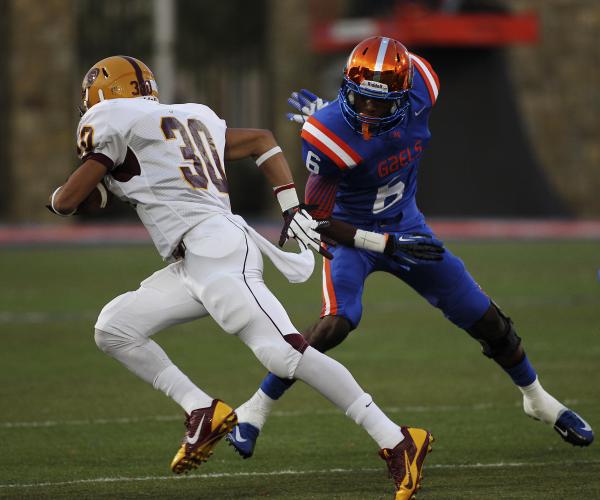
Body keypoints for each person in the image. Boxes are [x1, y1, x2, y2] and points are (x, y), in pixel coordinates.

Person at [47, 55, 433, 499]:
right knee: (114, 328)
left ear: (101, 97)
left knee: (285, 354)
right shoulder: (184, 118)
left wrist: (58, 198)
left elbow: (70, 200)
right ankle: (201, 409)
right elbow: (261, 142)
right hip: (194, 260)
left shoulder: (111, 120)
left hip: (214, 249)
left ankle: (397, 439)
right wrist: (289, 203)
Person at [227, 36, 594, 459]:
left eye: (379, 105)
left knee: (485, 318)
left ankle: (538, 399)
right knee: (337, 323)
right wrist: (380, 242)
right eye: (358, 101)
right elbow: (318, 219)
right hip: (353, 235)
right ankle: (255, 409)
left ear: (405, 97)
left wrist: (397, 237)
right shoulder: (328, 136)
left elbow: (383, 99)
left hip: (407, 226)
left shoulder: (422, 84)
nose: (366, 114)